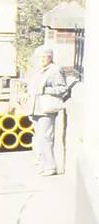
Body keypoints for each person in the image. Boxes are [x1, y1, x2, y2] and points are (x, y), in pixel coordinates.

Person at [27, 46, 68, 176]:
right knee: (39, 138)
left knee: (46, 138)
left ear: (50, 57)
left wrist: (46, 90)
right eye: (41, 57)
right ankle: (43, 164)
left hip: (46, 109)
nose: (43, 59)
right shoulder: (40, 71)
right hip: (35, 108)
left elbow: (63, 89)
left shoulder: (55, 70)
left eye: (45, 56)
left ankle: (51, 166)